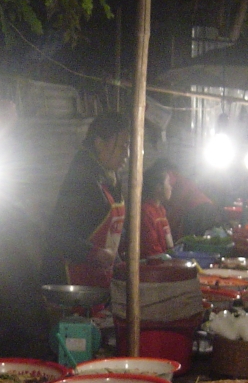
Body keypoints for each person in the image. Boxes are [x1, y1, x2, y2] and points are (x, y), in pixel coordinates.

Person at [42, 113, 130, 288]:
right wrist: (95, 253)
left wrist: (120, 263)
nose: (127, 154)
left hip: (97, 279)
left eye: (129, 147)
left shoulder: (111, 176)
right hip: (69, 282)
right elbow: (58, 234)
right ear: (99, 143)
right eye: (122, 147)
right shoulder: (82, 178)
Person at [141, 160, 175, 257]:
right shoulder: (146, 212)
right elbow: (151, 250)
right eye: (168, 183)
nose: (171, 187)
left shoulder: (160, 210)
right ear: (158, 187)